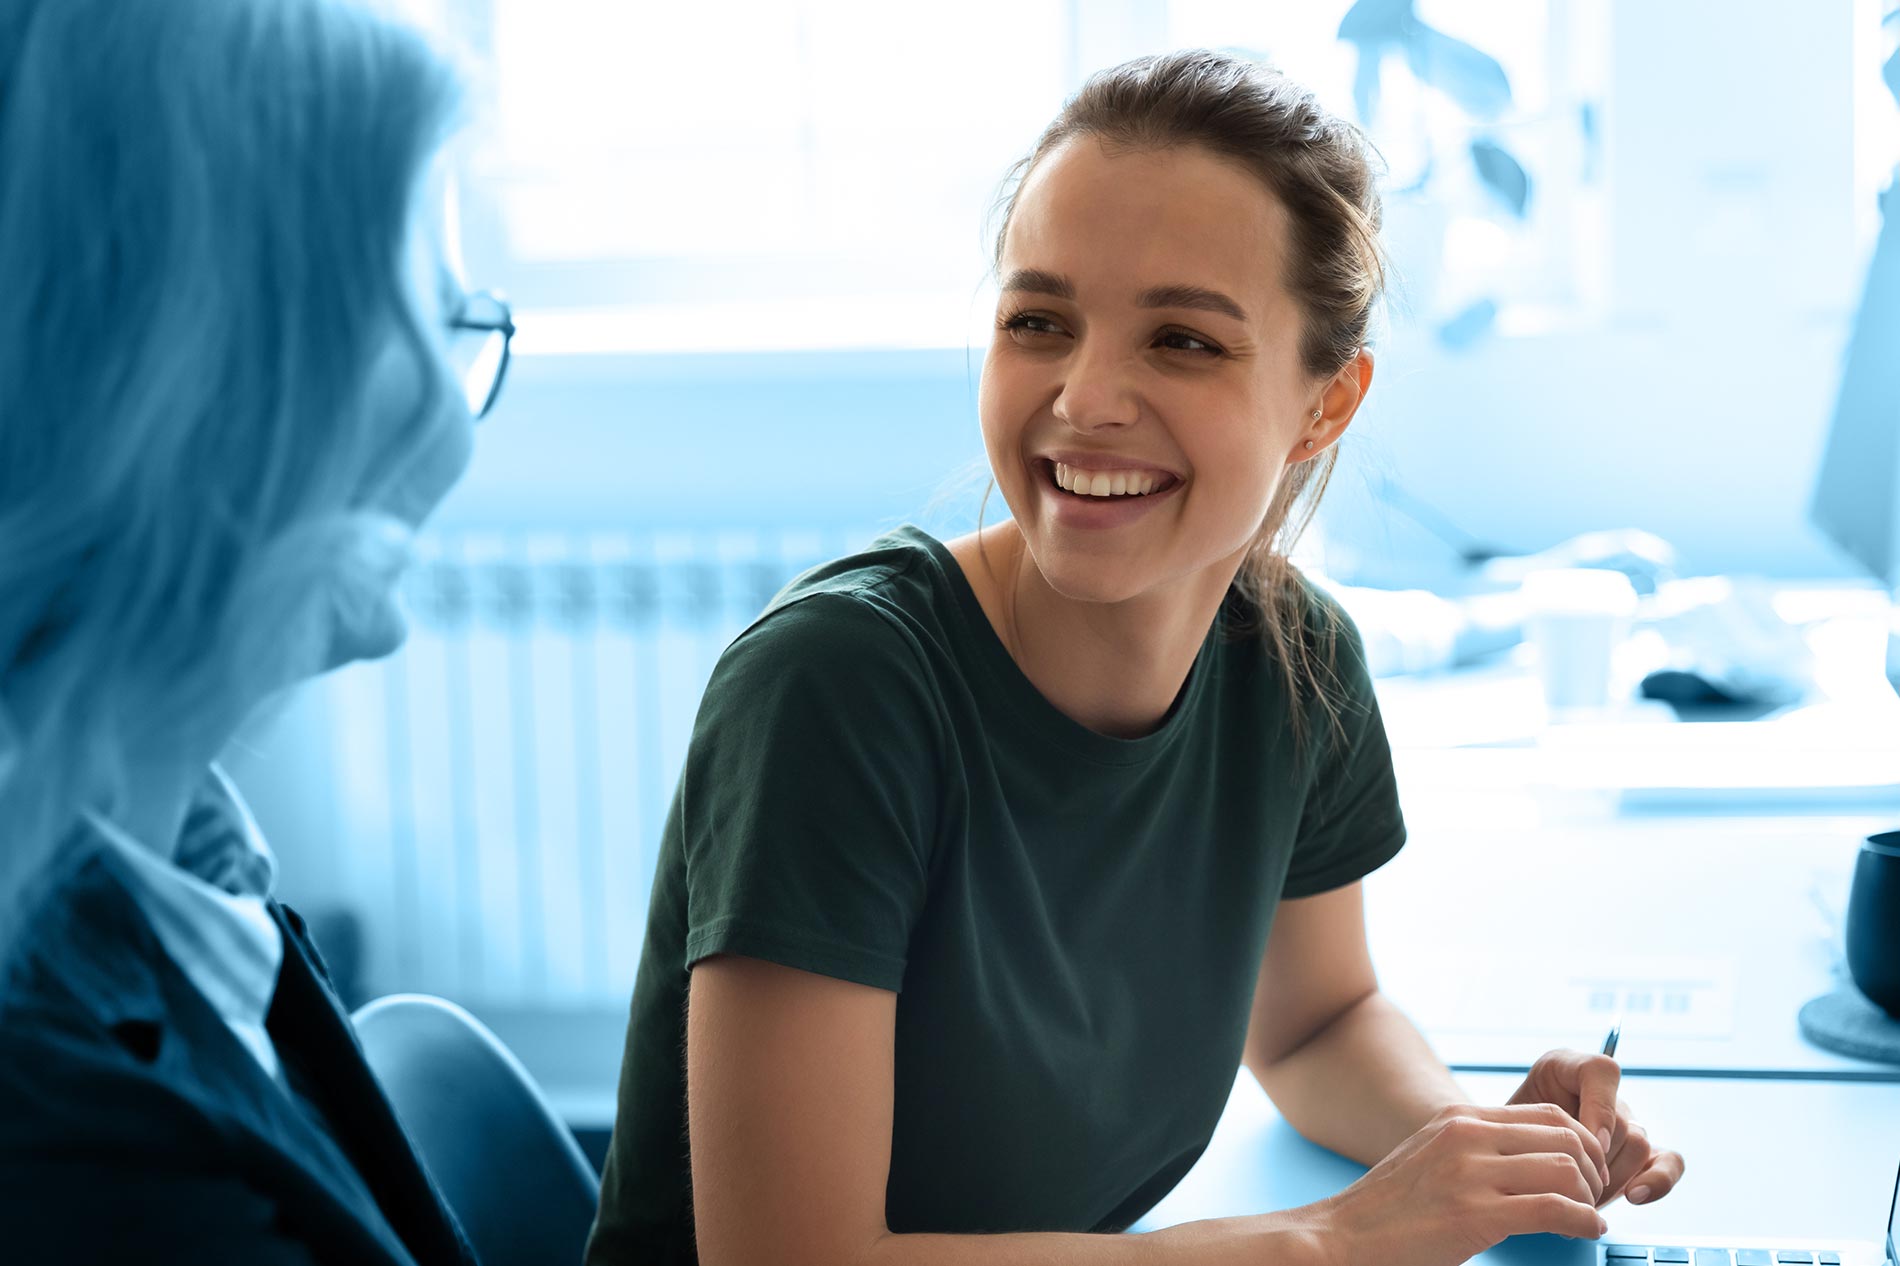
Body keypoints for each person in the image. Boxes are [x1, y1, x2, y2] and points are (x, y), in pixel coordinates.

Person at [587, 50, 1684, 1266]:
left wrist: (1474, 1147)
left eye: (1182, 340)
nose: (1086, 396)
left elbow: (1317, 1025)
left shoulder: (1293, 661)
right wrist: (1325, 1241)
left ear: (1324, 405)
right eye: (1037, 322)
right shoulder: (836, 689)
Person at [0, 1, 514, 1262]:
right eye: (431, 319)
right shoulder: (91, 1159)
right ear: (213, 388)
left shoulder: (176, 858)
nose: (453, 438)